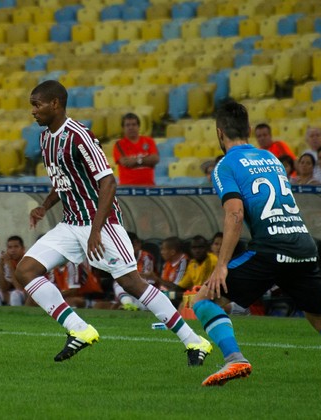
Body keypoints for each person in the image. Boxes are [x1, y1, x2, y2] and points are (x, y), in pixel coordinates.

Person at [191, 100, 321, 386]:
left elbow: (235, 213)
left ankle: (234, 358)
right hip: (303, 245)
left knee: (204, 299)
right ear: (248, 129)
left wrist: (221, 265)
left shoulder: (226, 165)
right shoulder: (271, 158)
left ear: (220, 133)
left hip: (271, 248)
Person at [16, 80, 212, 364]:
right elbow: (64, 182)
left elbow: (108, 182)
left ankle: (195, 342)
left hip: (102, 224)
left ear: (55, 104)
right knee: (26, 270)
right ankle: (79, 329)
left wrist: (96, 230)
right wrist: (44, 207)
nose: (33, 111)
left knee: (132, 283)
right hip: (71, 224)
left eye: (37, 104)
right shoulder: (46, 138)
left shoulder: (79, 135)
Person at [113, 113, 159, 186]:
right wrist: (146, 160)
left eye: (134, 124)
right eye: (127, 125)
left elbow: (155, 159)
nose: (131, 127)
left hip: (149, 187)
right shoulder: (119, 144)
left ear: (139, 126)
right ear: (123, 128)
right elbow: (126, 163)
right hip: (128, 189)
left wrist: (136, 160)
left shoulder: (149, 141)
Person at [114, 231, 156, 310]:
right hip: (131, 286)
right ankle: (128, 305)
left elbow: (147, 275)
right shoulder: (122, 256)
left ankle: (131, 305)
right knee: (117, 282)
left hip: (145, 287)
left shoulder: (146, 256)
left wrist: (128, 274)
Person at [0, 235, 27, 306]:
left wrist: (9, 265)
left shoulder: (27, 261)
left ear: (23, 249)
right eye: (10, 247)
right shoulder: (10, 261)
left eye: (16, 247)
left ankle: (18, 316)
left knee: (15, 295)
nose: (13, 250)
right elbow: (4, 288)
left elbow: (19, 288)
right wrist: (0, 267)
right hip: (18, 292)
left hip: (31, 294)